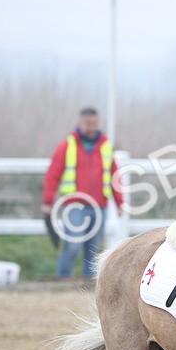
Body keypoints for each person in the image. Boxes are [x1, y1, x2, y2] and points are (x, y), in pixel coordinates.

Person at [41, 107, 121, 279]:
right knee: (72, 245)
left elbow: (114, 176)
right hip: (74, 206)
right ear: (80, 122)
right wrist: (48, 201)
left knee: (93, 250)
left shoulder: (106, 147)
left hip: (99, 205)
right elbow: (52, 174)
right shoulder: (66, 146)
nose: (92, 127)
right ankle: (62, 280)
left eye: (95, 123)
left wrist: (119, 202)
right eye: (88, 123)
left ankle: (89, 284)